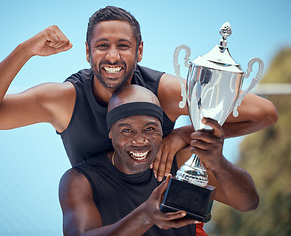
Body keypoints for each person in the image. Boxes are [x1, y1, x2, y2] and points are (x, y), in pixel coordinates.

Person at [0, 6, 277, 180]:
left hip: (161, 213)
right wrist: (25, 50)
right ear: (87, 52)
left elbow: (264, 113)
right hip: (102, 217)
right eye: (102, 46)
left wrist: (182, 134)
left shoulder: (162, 91)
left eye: (123, 46)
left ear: (139, 50)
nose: (112, 57)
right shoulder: (65, 100)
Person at [59, 85, 259, 236]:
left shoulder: (180, 161)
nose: (139, 140)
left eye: (150, 129)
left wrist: (219, 163)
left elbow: (248, 202)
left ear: (162, 131)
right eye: (127, 130)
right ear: (111, 132)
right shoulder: (81, 180)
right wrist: (145, 216)